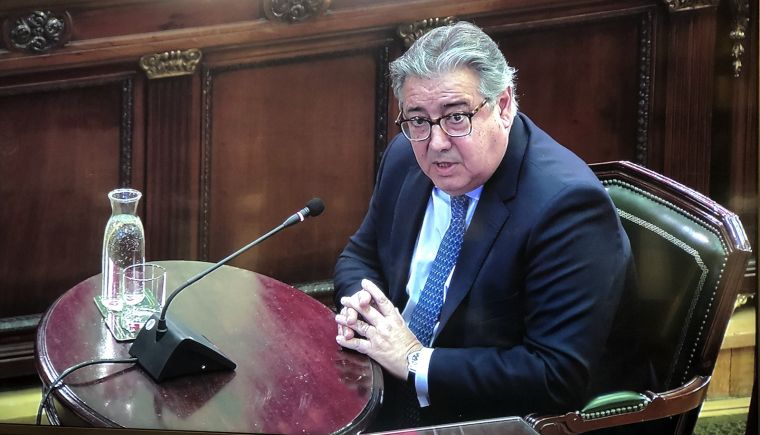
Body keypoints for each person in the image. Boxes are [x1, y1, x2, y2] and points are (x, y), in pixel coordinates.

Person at [333, 21, 640, 431]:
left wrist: (413, 360)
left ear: (504, 105)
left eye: (456, 117)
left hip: (495, 418)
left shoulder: (566, 207)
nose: (436, 142)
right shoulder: (406, 155)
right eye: (418, 119)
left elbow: (554, 375)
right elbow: (360, 254)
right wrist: (365, 308)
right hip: (384, 381)